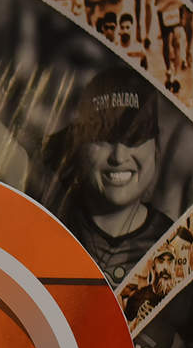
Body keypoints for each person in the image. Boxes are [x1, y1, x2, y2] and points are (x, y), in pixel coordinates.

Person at [55, 66, 175, 285]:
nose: (119, 156)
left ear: (157, 147)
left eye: (135, 138)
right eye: (104, 138)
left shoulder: (180, 251)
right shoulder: (51, 226)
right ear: (80, 145)